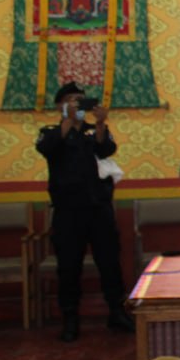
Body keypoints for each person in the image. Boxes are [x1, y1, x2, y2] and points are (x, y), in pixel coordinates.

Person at [35, 82, 134, 342]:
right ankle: (70, 319)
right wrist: (68, 120)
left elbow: (107, 149)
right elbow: (47, 149)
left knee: (110, 262)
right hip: (68, 212)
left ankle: (116, 313)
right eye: (71, 99)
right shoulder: (50, 132)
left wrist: (100, 123)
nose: (78, 103)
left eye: (81, 99)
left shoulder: (93, 132)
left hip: (99, 208)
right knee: (68, 267)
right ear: (60, 105)